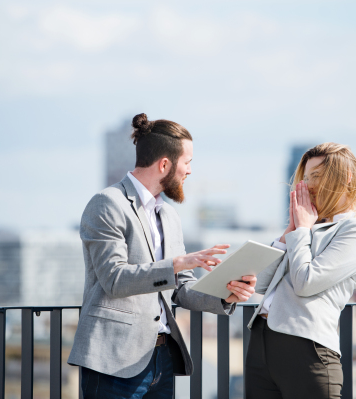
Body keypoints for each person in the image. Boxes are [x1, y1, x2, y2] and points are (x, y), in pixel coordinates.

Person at [68, 113, 257, 399]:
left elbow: (180, 288)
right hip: (114, 362)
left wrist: (225, 295)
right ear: (165, 164)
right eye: (187, 162)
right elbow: (114, 279)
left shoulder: (168, 215)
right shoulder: (107, 204)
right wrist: (178, 264)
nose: (190, 171)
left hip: (162, 359)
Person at [245, 142, 356, 399]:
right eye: (305, 178)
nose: (309, 185)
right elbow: (259, 283)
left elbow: (306, 282)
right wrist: (288, 233)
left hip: (307, 349)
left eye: (316, 176)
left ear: (346, 177)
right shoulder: (309, 225)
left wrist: (302, 231)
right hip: (263, 345)